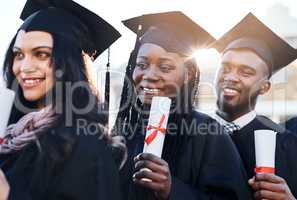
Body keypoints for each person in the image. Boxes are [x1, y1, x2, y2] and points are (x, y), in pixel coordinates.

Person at [113, 11, 252, 200]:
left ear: (189, 74)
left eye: (165, 67)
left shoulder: (208, 133)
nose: (149, 75)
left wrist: (172, 190)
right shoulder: (123, 133)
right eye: (142, 64)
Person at [0, 0, 125, 199]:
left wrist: (8, 195)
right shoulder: (13, 136)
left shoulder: (86, 145)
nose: (24, 67)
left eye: (41, 54)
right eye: (18, 54)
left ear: (70, 62)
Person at [212, 12, 297, 199]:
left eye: (246, 72)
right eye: (225, 68)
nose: (231, 77)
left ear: (265, 87)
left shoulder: (286, 144)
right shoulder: (186, 132)